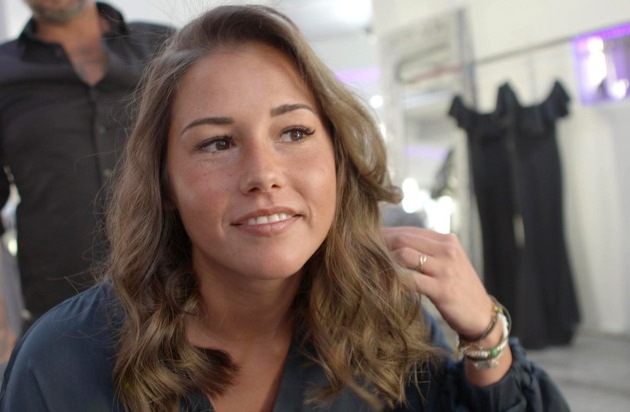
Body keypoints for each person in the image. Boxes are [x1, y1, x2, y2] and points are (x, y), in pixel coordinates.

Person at [0, 5, 570, 411]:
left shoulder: (390, 327)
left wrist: (485, 335)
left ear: (337, 157)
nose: (264, 175)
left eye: (294, 132)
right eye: (217, 143)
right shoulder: (60, 365)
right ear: (163, 181)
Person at [0, 0, 172, 343]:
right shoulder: (5, 71)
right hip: (59, 315)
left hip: (173, 294)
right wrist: (3, 333)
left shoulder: (166, 47)